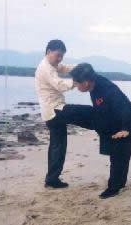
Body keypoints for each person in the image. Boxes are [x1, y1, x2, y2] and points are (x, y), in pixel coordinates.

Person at [70, 63, 131, 199]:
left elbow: (124, 106)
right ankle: (119, 184)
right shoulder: (93, 84)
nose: (75, 86)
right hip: (109, 119)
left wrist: (126, 129)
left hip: (125, 123)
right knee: (73, 111)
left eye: (76, 83)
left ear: (85, 82)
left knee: (119, 157)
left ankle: (114, 188)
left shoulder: (108, 89)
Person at [35, 40, 95, 189]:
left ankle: (51, 179)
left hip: (52, 111)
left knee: (57, 146)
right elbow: (60, 85)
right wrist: (78, 81)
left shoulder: (53, 65)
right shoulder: (45, 68)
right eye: (58, 55)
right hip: (54, 110)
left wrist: (81, 68)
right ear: (49, 51)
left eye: (62, 56)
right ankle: (102, 124)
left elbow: (65, 68)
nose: (60, 58)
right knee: (85, 113)